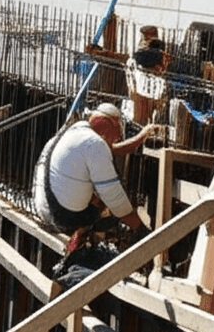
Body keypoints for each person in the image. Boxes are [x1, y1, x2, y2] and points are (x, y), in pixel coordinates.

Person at [33, 103, 153, 240]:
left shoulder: (77, 132)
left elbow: (113, 150)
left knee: (98, 200)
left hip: (43, 208)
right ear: (111, 125)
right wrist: (139, 228)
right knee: (108, 213)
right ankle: (98, 239)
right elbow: (113, 196)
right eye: (117, 136)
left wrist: (142, 136)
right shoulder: (95, 143)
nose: (116, 140)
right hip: (60, 216)